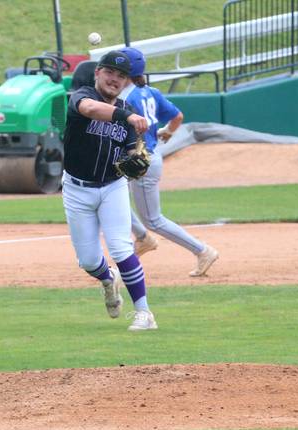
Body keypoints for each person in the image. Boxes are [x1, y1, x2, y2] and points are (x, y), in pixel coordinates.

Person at [62, 49, 158, 331]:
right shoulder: (82, 96)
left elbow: (132, 153)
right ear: (97, 73)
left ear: (127, 82)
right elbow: (91, 110)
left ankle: (144, 313)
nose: (114, 79)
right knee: (89, 261)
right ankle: (107, 279)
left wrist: (137, 160)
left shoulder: (130, 116)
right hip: (76, 189)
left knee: (120, 246)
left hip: (112, 186)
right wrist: (125, 117)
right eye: (109, 72)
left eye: (121, 76)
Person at [119, 47, 219, 277]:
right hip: (144, 158)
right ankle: (143, 239)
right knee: (110, 196)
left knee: (153, 219)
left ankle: (202, 250)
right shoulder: (149, 91)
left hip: (141, 161)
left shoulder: (126, 97)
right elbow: (178, 117)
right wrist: (166, 132)